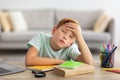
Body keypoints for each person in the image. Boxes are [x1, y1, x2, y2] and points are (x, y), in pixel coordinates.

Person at [25, 18, 94, 66]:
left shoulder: (70, 47)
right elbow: (29, 60)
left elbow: (89, 63)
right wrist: (58, 61)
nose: (65, 37)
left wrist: (80, 37)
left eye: (70, 37)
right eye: (63, 31)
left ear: (71, 43)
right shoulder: (40, 38)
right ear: (54, 30)